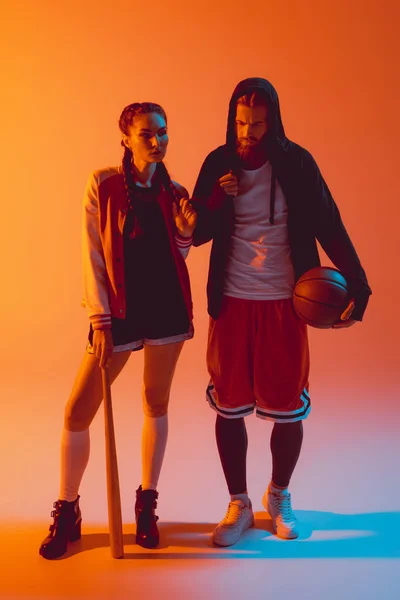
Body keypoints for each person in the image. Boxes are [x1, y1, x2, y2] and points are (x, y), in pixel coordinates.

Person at [190, 77, 371, 546]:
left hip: (285, 300)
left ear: (274, 122)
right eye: (241, 122)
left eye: (257, 124)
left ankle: (279, 494)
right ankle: (239, 503)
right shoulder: (217, 162)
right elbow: (195, 232)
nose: (248, 132)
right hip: (230, 299)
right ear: (232, 118)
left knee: (287, 409)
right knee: (229, 408)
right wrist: (215, 198)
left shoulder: (296, 163)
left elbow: (330, 224)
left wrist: (360, 287)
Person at [39, 102, 197, 559]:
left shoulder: (175, 189)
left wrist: (185, 233)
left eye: (163, 132)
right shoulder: (104, 183)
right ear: (126, 138)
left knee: (156, 401)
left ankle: (147, 504)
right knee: (77, 411)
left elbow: (175, 256)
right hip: (120, 312)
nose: (157, 141)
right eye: (147, 134)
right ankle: (67, 510)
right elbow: (92, 253)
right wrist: (100, 318)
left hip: (167, 310)